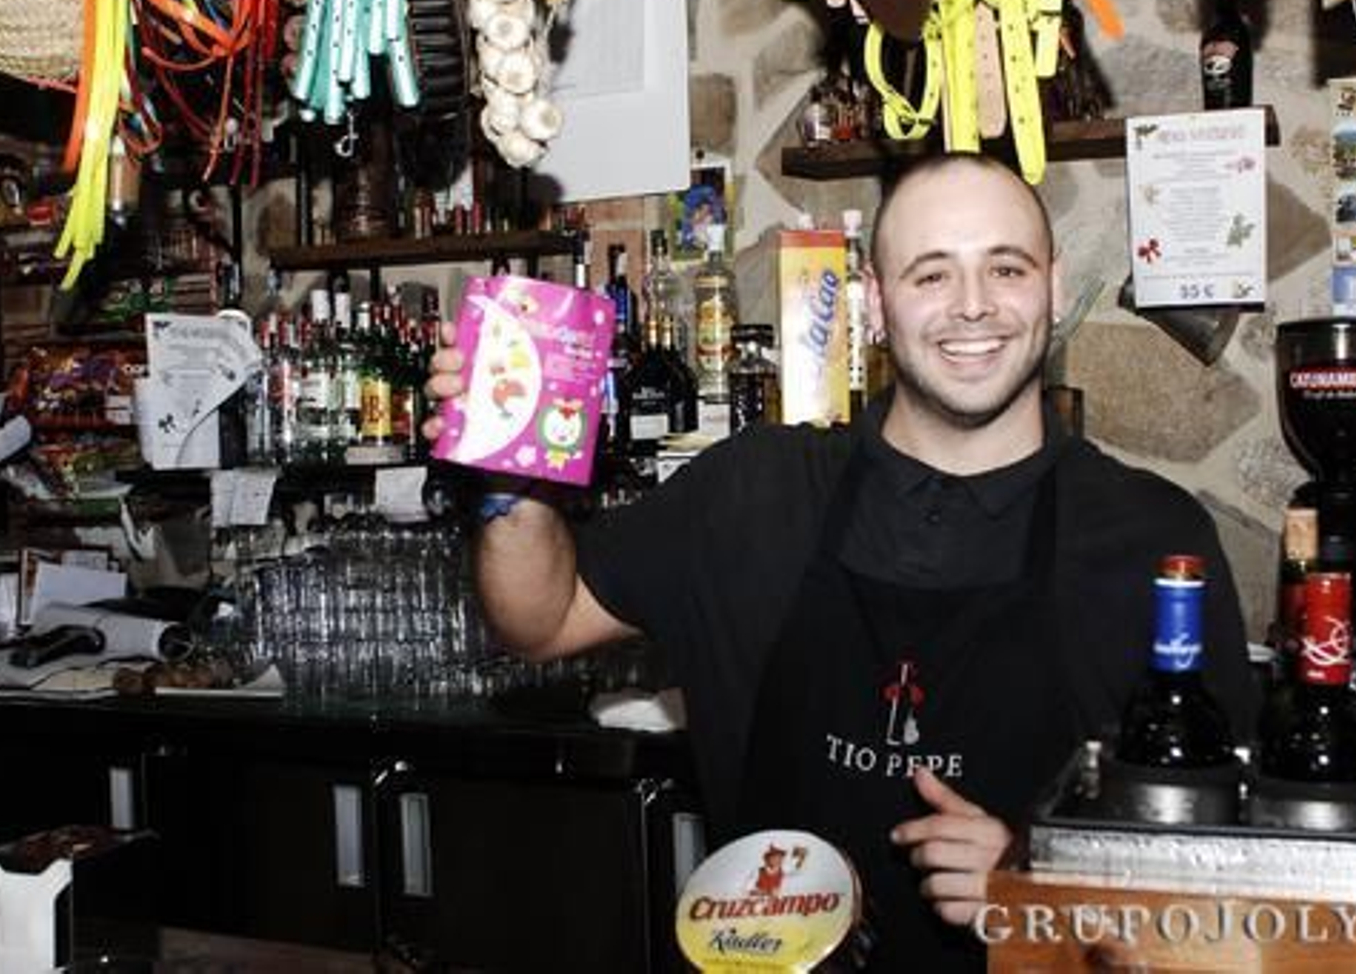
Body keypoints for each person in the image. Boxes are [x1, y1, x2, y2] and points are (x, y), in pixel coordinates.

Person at [423, 153, 1256, 971]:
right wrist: (510, 480)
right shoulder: (752, 492)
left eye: (1005, 267)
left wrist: (1045, 888)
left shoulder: (1149, 537)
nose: (974, 306)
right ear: (872, 302)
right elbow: (541, 618)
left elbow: (1230, 875)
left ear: (1053, 283)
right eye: (931, 275)